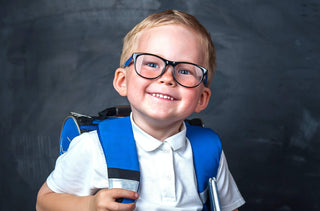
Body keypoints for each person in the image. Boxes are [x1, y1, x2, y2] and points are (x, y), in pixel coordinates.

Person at [36, 9, 245, 211]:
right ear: (122, 81)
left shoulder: (209, 150)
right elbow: (44, 202)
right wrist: (90, 206)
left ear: (202, 98)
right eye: (152, 64)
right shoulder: (94, 146)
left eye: (184, 70)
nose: (167, 77)